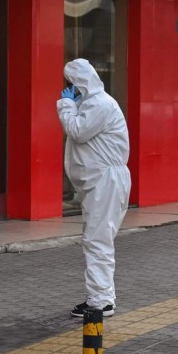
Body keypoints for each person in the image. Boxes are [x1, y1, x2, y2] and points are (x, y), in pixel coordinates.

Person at [56, 58, 131, 318]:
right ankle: (101, 297)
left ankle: (100, 302)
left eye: (70, 85)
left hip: (105, 182)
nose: (67, 89)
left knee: (97, 241)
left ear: (79, 83)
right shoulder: (95, 103)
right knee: (99, 240)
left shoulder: (99, 104)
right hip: (102, 182)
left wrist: (66, 104)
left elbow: (77, 131)